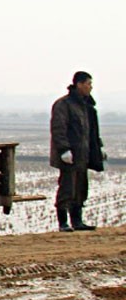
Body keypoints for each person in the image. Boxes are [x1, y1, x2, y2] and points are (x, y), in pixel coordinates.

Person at [50, 71, 106, 232]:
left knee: (81, 188)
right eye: (88, 84)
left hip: (83, 154)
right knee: (67, 187)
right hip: (69, 154)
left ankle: (77, 221)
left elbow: (92, 131)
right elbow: (58, 129)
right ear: (79, 84)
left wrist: (98, 148)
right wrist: (64, 149)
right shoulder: (63, 104)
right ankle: (63, 222)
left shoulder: (86, 106)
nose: (90, 87)